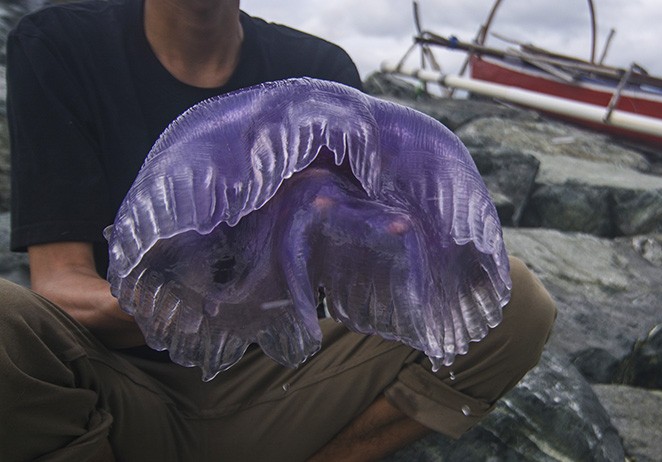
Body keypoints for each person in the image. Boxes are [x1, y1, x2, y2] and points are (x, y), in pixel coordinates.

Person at [0, 0, 557, 460]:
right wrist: (210, 299)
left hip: (279, 380)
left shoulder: (317, 69)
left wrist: (379, 243)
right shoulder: (60, 44)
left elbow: (342, 275)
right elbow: (58, 286)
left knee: (515, 300)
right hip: (116, 384)